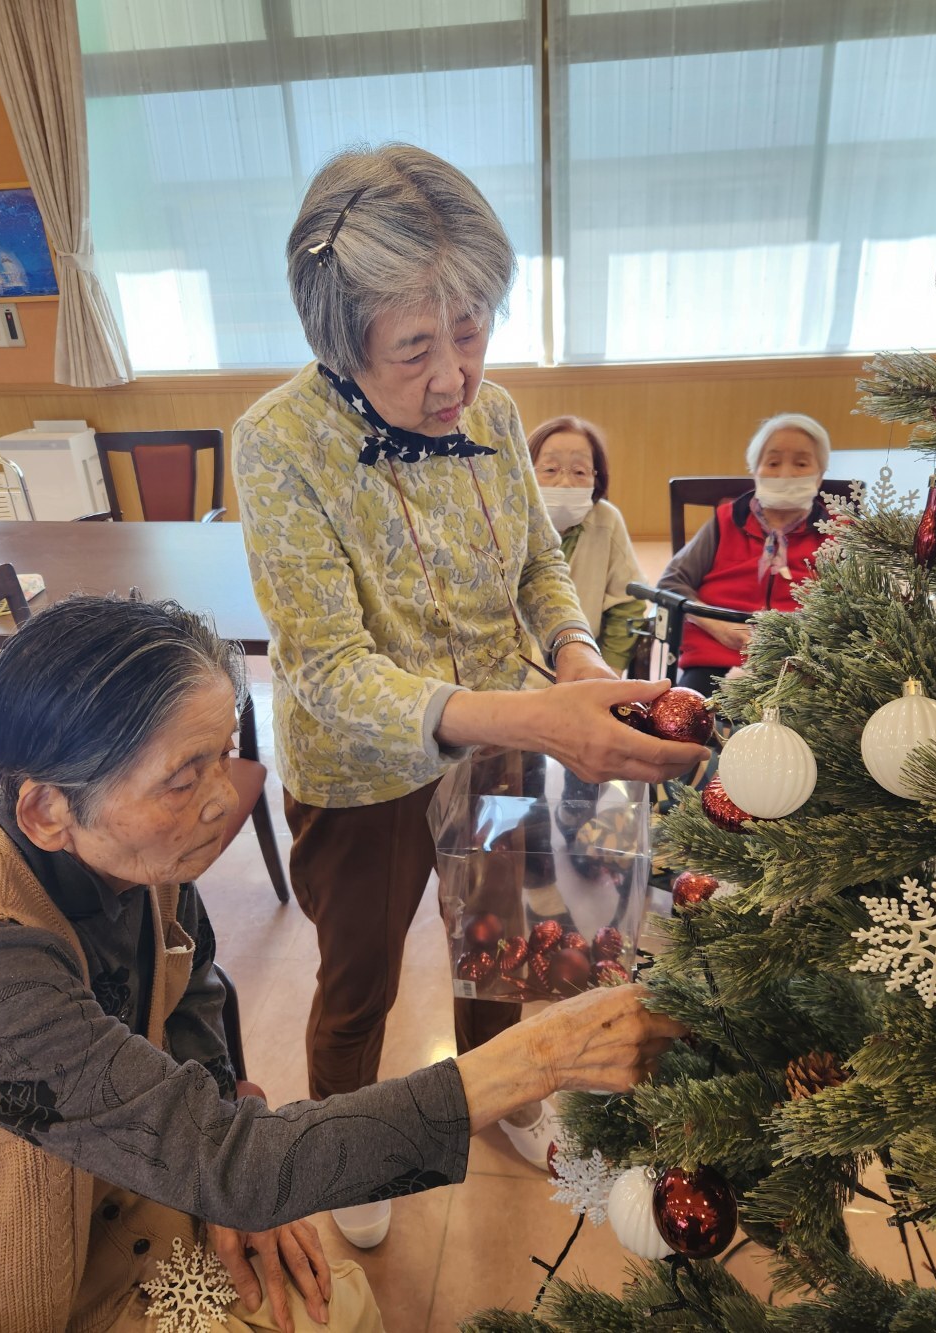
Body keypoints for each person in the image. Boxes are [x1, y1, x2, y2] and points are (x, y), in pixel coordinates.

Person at [232, 143, 709, 1243]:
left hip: (504, 743)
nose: (453, 374)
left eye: (472, 327)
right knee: (356, 984)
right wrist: (537, 716)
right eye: (414, 345)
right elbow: (326, 670)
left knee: (496, 943)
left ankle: (501, 1093)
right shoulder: (279, 445)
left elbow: (538, 565)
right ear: (336, 334)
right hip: (363, 773)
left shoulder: (494, 414)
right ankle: (346, 1145)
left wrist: (576, 652)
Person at [0, 595, 685, 1333]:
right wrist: (539, 1056)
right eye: (184, 779)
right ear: (45, 813)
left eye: (223, 753)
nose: (223, 799)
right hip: (29, 1256)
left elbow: (191, 993)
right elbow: (235, 1161)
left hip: (131, 1181)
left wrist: (230, 1143)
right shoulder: (2, 964)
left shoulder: (141, 854)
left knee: (333, 1301)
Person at [656, 412, 832, 697]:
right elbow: (671, 584)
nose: (785, 473)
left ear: (820, 475)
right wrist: (720, 627)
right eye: (773, 462)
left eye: (801, 463)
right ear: (755, 470)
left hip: (800, 666)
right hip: (713, 659)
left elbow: (851, 606)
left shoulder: (834, 534)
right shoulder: (726, 521)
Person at [527, 415, 647, 676]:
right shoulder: (504, 523)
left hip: (582, 667)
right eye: (550, 470)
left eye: (579, 472)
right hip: (513, 673)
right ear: (525, 471)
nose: (565, 482)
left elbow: (627, 604)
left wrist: (609, 669)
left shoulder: (606, 520)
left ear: (596, 478)